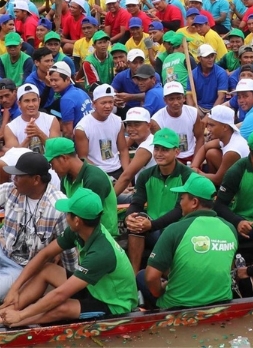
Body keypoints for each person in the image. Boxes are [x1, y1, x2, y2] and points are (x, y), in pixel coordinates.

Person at [0, 188, 137, 327]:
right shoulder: (79, 230)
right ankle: (7, 310)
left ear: (77, 220)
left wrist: (22, 315)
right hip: (93, 287)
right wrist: (14, 289)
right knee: (48, 269)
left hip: (113, 303)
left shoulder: (101, 253)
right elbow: (45, 254)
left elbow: (60, 294)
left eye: (67, 214)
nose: (65, 216)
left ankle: (15, 320)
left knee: (61, 307)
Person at [138, 174, 237, 309]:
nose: (180, 202)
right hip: (221, 301)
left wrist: (160, 291)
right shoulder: (230, 228)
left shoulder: (175, 229)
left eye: (182, 198)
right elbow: (227, 268)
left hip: (178, 306)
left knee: (141, 275)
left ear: (194, 202)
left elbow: (151, 277)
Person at [0, 152, 74, 300]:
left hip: (24, 270)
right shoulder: (10, 189)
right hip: (3, 251)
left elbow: (68, 251)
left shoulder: (58, 206)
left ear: (36, 179)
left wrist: (72, 285)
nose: (14, 179)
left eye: (19, 176)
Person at [122, 128, 193, 273]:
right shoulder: (145, 175)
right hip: (152, 228)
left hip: (177, 230)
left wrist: (152, 225)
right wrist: (129, 217)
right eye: (157, 148)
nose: (159, 153)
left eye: (165, 149)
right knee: (137, 220)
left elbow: (179, 211)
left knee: (153, 227)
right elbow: (137, 203)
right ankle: (133, 278)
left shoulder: (188, 176)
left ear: (177, 152)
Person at [74, 84, 129, 178]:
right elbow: (83, 158)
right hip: (97, 173)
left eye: (111, 102)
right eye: (103, 103)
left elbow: (123, 150)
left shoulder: (118, 121)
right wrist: (104, 178)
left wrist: (127, 176)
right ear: (94, 104)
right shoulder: (82, 127)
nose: (108, 106)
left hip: (117, 169)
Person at [150, 81, 204, 164]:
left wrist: (195, 163)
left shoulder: (193, 113)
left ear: (184, 98)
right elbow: (162, 148)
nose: (176, 103)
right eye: (171, 99)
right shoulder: (157, 119)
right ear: (165, 100)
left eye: (179, 98)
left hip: (192, 156)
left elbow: (200, 138)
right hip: (170, 159)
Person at [3, 83, 60, 150]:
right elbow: (13, 157)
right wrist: (28, 138)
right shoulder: (10, 128)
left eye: (34, 100)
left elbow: (56, 150)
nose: (31, 104)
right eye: (26, 101)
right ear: (19, 103)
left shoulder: (51, 120)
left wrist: (39, 133)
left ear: (39, 101)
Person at [47, 61, 93, 137]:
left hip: (82, 139)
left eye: (56, 80)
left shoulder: (66, 99)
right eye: (51, 80)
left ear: (68, 80)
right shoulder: (80, 91)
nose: (52, 84)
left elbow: (68, 132)